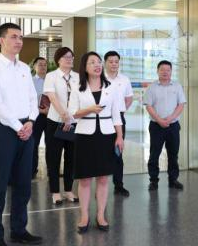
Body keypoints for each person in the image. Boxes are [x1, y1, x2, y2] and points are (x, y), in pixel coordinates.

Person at [0, 23, 42, 246]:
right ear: (2, 40)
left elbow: (33, 98)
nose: (19, 41)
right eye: (14, 37)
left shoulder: (24, 68)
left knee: (24, 183)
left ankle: (19, 230)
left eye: (21, 37)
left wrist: (31, 121)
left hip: (26, 128)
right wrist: (19, 126)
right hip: (5, 130)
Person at [69, 52, 124, 233]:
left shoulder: (111, 87)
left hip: (107, 135)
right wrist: (90, 109)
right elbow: (72, 114)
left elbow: (117, 115)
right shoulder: (78, 88)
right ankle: (84, 216)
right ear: (85, 67)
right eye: (92, 62)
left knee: (103, 178)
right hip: (85, 135)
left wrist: (119, 136)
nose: (97, 65)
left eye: (99, 62)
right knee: (84, 179)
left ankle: (101, 215)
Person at [144, 60, 186, 191]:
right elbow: (148, 106)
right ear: (157, 71)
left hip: (173, 126)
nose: (165, 72)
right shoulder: (152, 87)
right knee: (154, 154)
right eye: (162, 69)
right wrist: (159, 120)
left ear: (171, 72)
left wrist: (170, 118)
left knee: (173, 154)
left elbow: (181, 105)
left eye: (168, 70)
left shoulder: (177, 86)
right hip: (156, 126)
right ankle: (153, 181)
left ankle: (173, 180)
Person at [43, 47, 78, 205]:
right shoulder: (51, 76)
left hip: (74, 122)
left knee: (71, 158)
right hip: (55, 121)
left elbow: (79, 97)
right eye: (65, 57)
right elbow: (52, 97)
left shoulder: (78, 77)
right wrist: (64, 115)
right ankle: (55, 192)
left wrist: (70, 118)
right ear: (58, 60)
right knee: (54, 157)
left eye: (71, 57)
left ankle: (69, 190)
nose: (69, 59)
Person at [104, 50, 133, 197]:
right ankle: (101, 188)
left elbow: (129, 98)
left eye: (116, 61)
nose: (114, 64)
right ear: (105, 63)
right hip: (102, 118)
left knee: (117, 152)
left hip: (119, 118)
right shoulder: (99, 78)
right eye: (111, 61)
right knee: (101, 152)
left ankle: (118, 185)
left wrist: (120, 111)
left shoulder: (125, 79)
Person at [31, 57, 49, 179]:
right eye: (40, 64)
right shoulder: (30, 81)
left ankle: (51, 169)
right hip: (36, 116)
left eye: (45, 65)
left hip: (50, 116)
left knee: (51, 144)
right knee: (34, 144)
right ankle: (32, 170)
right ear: (34, 67)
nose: (43, 67)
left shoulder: (51, 81)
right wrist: (40, 110)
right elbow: (28, 100)